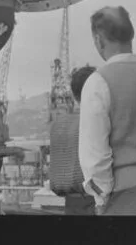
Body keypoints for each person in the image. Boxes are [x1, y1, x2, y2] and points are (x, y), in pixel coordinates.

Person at [79, 6, 136, 215]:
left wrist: (100, 201)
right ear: (131, 34)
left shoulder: (98, 82)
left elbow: (94, 156)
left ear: (99, 40)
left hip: (125, 198)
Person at [49, 66, 97, 215]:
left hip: (70, 202)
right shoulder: (95, 121)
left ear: (74, 95)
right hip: (93, 201)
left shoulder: (58, 124)